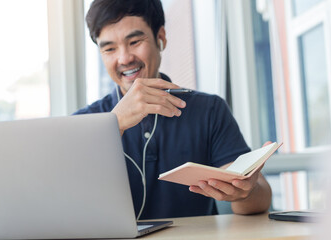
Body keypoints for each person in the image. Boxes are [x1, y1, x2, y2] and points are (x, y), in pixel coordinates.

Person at [75, 0, 272, 220]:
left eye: (135, 41)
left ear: (161, 37)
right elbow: (69, 199)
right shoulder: (84, 122)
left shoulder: (208, 110)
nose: (124, 58)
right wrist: (114, 124)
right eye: (110, 49)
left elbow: (260, 197)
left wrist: (244, 193)